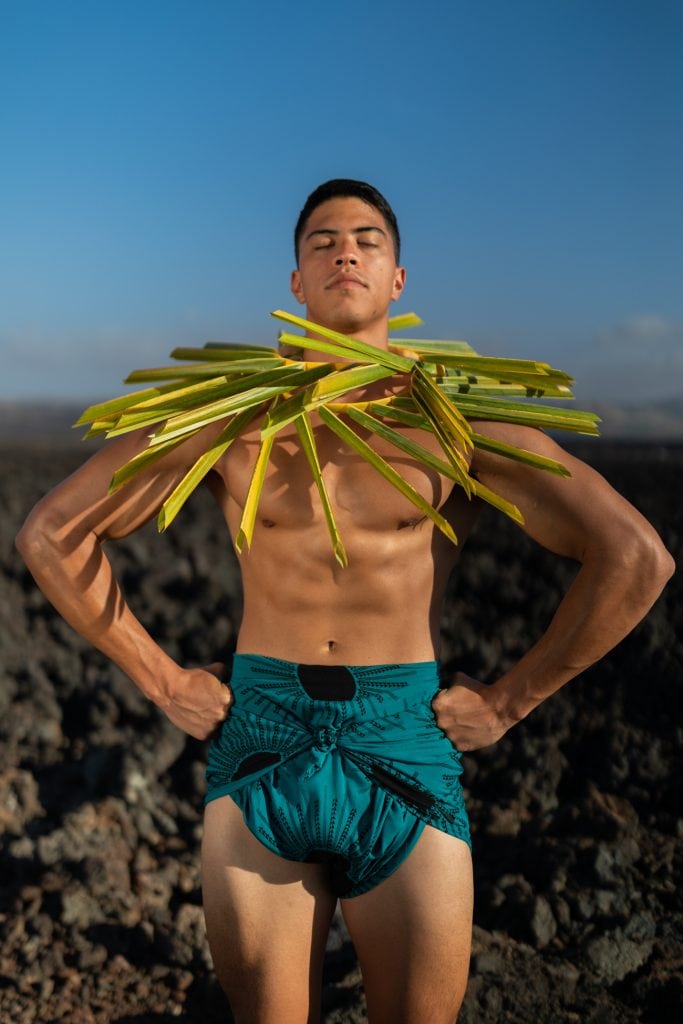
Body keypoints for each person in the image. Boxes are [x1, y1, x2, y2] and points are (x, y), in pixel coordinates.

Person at [16, 179, 674, 1024]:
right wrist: (158, 678)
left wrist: (511, 702)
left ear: (398, 278)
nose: (344, 251)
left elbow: (636, 556)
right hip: (261, 737)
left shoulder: (453, 425)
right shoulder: (227, 418)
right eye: (321, 240)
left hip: (399, 740)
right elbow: (52, 533)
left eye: (366, 238)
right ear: (295, 280)